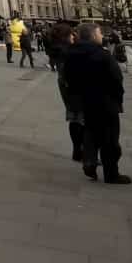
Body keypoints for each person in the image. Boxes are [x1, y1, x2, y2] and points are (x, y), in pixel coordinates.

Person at [63, 22, 130, 184]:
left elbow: (67, 78)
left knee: (91, 132)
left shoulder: (71, 54)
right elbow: (116, 79)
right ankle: (111, 173)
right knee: (110, 139)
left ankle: (89, 161)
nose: (102, 36)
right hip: (106, 101)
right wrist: (118, 99)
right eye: (100, 33)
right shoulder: (103, 54)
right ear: (93, 35)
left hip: (85, 100)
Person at [50, 22, 85, 161]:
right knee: (80, 118)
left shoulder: (60, 49)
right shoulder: (68, 51)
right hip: (73, 86)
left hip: (66, 85)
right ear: (65, 36)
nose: (73, 35)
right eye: (71, 33)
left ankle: (77, 150)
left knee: (74, 118)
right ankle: (83, 151)